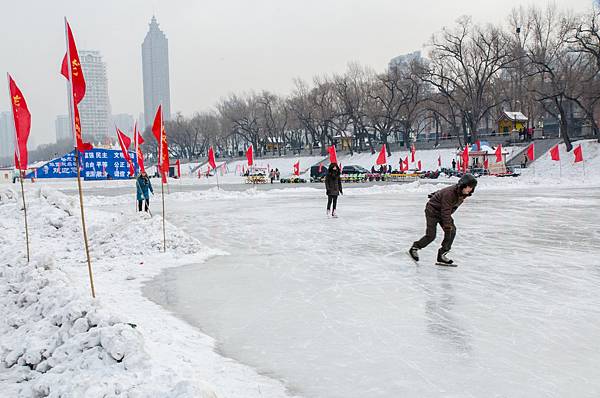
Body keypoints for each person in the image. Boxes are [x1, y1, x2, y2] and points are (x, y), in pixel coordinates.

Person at [408, 174, 478, 266]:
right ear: (463, 185)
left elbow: (444, 194)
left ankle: (442, 254)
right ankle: (415, 247)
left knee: (452, 231)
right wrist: (447, 226)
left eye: (472, 187)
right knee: (431, 235)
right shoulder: (451, 193)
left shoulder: (461, 192)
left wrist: (436, 194)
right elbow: (446, 210)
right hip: (432, 212)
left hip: (443, 212)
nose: (470, 190)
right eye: (469, 187)